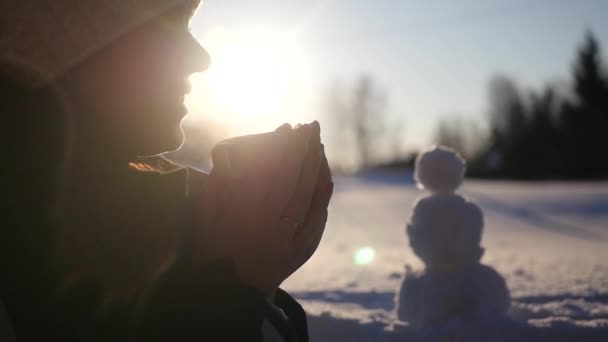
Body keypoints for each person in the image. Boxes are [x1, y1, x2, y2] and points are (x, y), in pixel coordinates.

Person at [1, 1, 332, 341]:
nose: (200, 58)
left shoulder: (146, 215)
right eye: (164, 23)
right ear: (59, 35)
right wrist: (236, 287)